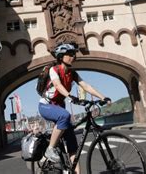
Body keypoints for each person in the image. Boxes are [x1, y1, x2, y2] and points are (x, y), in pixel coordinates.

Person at [38, 43, 110, 173]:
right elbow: (58, 85)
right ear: (61, 56)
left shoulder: (72, 73)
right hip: (46, 105)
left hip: (59, 107)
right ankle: (50, 149)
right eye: (69, 54)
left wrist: (103, 97)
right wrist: (71, 96)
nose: (73, 57)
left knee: (73, 147)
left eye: (73, 54)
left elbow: (86, 86)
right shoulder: (54, 70)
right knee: (64, 116)